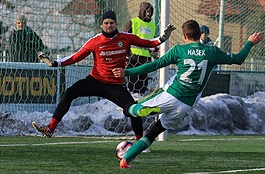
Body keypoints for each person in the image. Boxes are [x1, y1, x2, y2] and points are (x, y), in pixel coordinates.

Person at [112, 20, 264, 168]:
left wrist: (128, 72)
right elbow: (238, 59)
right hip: (186, 104)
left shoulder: (179, 50)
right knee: (155, 131)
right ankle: (126, 159)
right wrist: (249, 42)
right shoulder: (212, 51)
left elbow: (155, 65)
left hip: (171, 94)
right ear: (200, 34)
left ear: (185, 36)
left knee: (130, 109)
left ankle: (141, 109)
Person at [32, 10, 175, 145]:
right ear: (101, 25)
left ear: (116, 24)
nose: (109, 25)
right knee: (69, 93)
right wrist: (56, 63)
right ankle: (50, 128)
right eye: (106, 23)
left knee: (134, 110)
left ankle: (141, 143)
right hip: (95, 81)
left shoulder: (126, 38)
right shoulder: (95, 41)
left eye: (111, 23)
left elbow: (148, 43)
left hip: (116, 86)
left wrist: (163, 38)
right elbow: (76, 57)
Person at [124, 2, 157, 95]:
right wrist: (125, 54)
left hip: (146, 58)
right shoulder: (132, 22)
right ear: (141, 11)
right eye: (146, 11)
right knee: (133, 80)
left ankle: (141, 97)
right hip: (133, 57)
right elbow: (124, 40)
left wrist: (155, 53)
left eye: (150, 12)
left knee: (143, 81)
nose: (148, 14)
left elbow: (154, 40)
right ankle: (132, 98)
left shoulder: (152, 25)